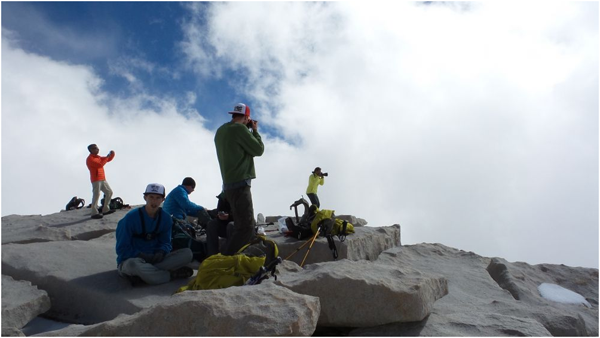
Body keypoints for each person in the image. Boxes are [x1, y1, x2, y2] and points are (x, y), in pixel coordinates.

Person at [115, 183, 193, 285]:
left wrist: (161, 252)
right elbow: (122, 249)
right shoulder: (130, 218)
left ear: (162, 200)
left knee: (187, 254)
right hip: (133, 260)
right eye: (151, 197)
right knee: (133, 265)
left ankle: (145, 276)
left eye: (158, 198)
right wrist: (141, 255)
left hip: (155, 260)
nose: (154, 201)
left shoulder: (166, 219)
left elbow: (166, 242)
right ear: (145, 197)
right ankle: (170, 275)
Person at [214, 103, 264, 255]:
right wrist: (254, 131)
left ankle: (243, 254)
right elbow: (258, 149)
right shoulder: (240, 129)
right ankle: (227, 258)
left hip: (228, 184)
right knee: (246, 227)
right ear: (247, 117)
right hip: (241, 182)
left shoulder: (221, 130)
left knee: (241, 223)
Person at [86, 144, 115, 219]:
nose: (97, 149)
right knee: (96, 195)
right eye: (95, 148)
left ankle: (105, 209)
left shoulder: (97, 157)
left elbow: (107, 160)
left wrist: (112, 154)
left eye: (97, 148)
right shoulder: (90, 159)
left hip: (102, 178)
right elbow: (100, 164)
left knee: (109, 192)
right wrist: (107, 157)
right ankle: (94, 212)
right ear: (91, 150)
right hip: (96, 179)